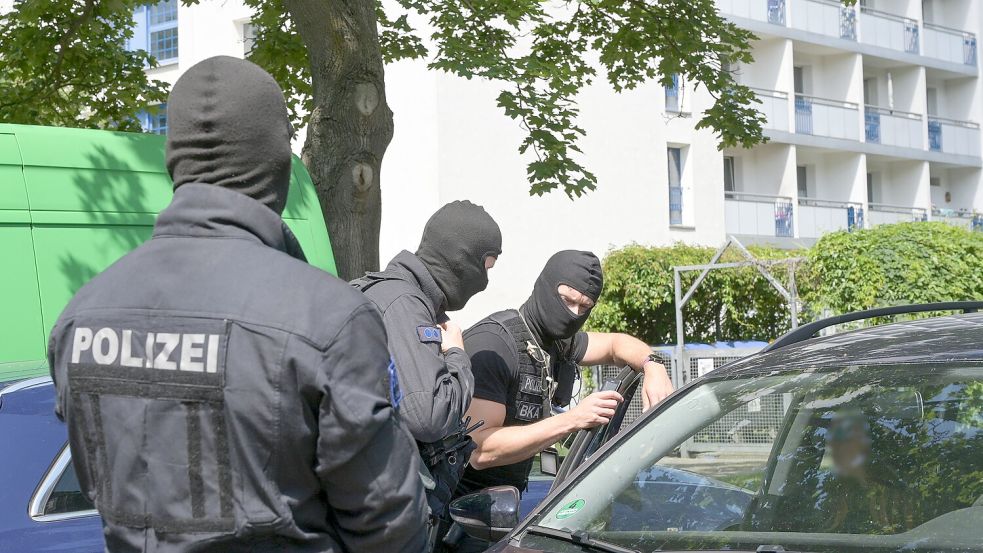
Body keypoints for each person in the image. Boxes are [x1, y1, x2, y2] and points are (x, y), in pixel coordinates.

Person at [47, 56, 427, 553]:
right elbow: (388, 526)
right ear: (277, 163)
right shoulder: (329, 318)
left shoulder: (80, 316)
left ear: (174, 160)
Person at [449, 250, 675, 551]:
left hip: (506, 508)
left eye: (585, 307)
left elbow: (616, 344)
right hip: (458, 517)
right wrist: (573, 420)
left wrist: (653, 364)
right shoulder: (495, 346)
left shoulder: (555, 341)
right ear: (545, 286)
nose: (574, 313)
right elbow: (480, 449)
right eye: (567, 299)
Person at [351, 200, 502, 548]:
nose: (486, 281)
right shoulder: (405, 303)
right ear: (461, 259)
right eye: (486, 266)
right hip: (383, 520)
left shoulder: (387, 293)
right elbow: (429, 415)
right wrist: (457, 356)